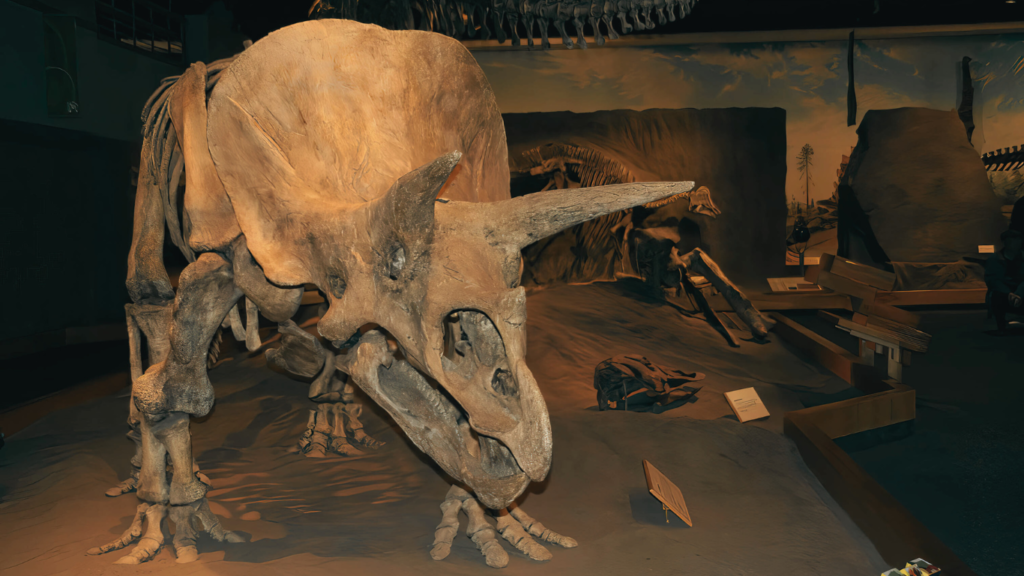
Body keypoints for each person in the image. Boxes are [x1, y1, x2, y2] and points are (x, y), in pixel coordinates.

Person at [985, 229, 1024, 334]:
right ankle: (1001, 326)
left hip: (1021, 292)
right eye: (1012, 240)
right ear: (1005, 242)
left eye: (1018, 240)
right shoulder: (995, 259)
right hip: (1004, 293)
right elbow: (993, 280)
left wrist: (1019, 294)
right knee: (997, 295)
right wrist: (1009, 293)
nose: (1016, 243)